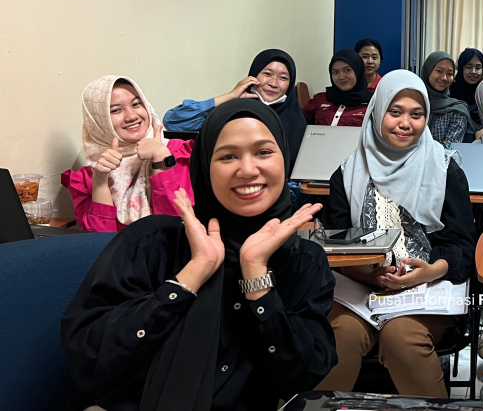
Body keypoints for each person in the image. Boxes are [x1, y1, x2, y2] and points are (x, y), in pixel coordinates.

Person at [61, 100, 335, 410]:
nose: (248, 170)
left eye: (263, 152)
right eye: (228, 156)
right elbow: (88, 357)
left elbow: (303, 376)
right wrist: (190, 276)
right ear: (204, 166)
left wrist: (257, 280)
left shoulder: (304, 261)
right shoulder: (153, 241)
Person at [321, 71, 475, 397]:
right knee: (341, 336)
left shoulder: (445, 168)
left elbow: (462, 243)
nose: (406, 123)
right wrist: (368, 274)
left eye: (416, 114)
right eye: (395, 112)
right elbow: (336, 243)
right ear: (377, 112)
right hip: (360, 286)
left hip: (427, 285)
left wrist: (430, 271)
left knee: (401, 337)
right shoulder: (347, 173)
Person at [62, 76, 193, 232]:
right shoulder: (86, 178)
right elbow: (99, 241)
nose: (131, 116)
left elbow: (178, 229)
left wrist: (160, 159)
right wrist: (100, 182)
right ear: (98, 121)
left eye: (136, 104)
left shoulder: (180, 153)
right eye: (116, 110)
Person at [163, 49, 306, 167]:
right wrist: (230, 96)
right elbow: (173, 121)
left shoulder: (295, 120)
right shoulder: (233, 110)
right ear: (254, 75)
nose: (273, 83)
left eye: (283, 78)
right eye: (267, 74)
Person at [302, 49, 371, 127]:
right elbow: (299, 121)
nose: (341, 77)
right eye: (336, 72)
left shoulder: (371, 102)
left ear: (358, 71)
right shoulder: (321, 97)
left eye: (347, 70)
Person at [420, 51, 471, 149]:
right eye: (439, 71)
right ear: (428, 71)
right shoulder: (414, 103)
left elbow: (449, 149)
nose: (444, 78)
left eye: (450, 74)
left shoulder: (457, 110)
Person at [448, 47, 483, 129]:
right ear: (461, 68)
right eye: (469, 67)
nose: (473, 71)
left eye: (478, 68)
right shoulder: (449, 92)